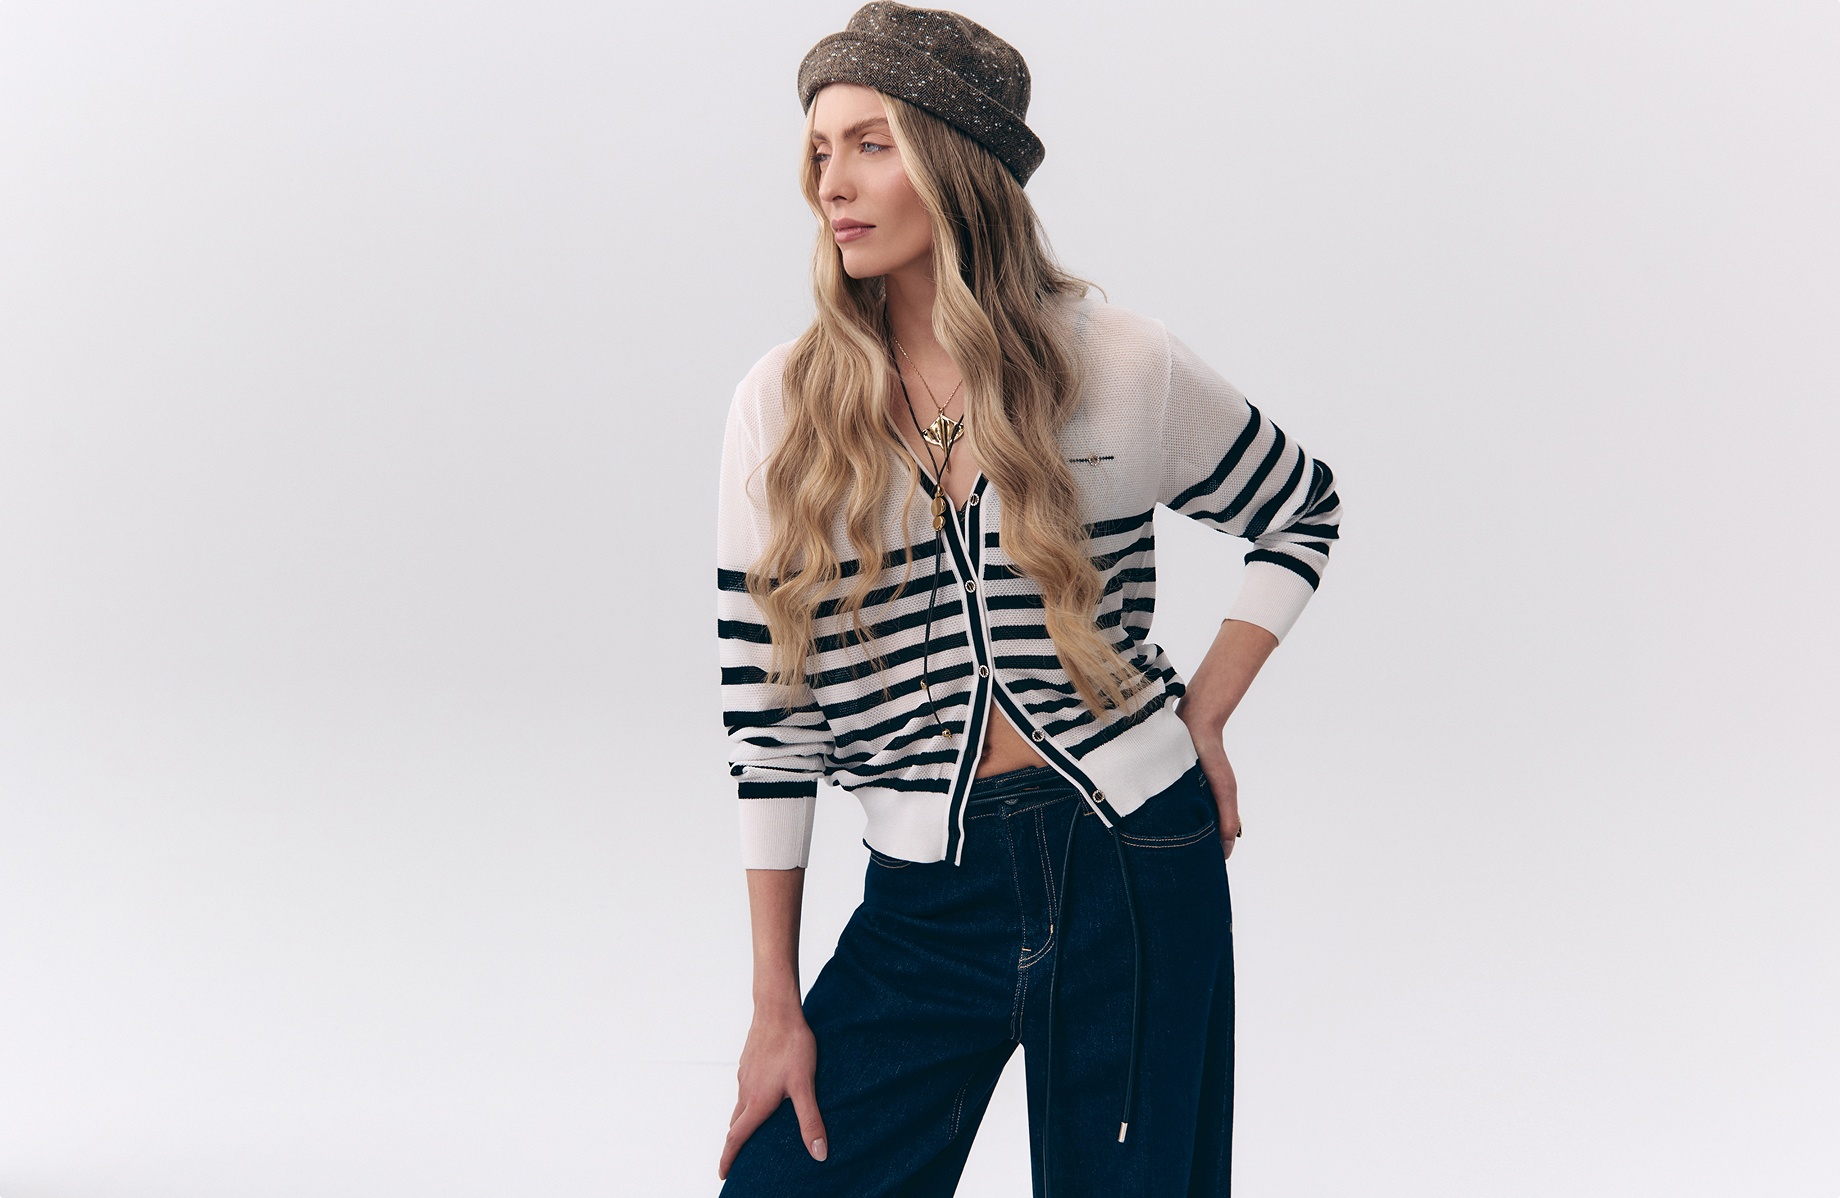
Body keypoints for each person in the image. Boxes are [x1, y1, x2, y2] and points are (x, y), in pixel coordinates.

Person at [713, 4, 1343, 1194]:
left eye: (871, 144)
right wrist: (773, 1003)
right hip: (924, 900)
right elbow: (768, 723)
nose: (831, 184)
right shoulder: (783, 408)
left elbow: (1299, 509)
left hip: (1134, 863)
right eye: (820, 151)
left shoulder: (1118, 362)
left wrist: (1203, 715)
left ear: (957, 162)